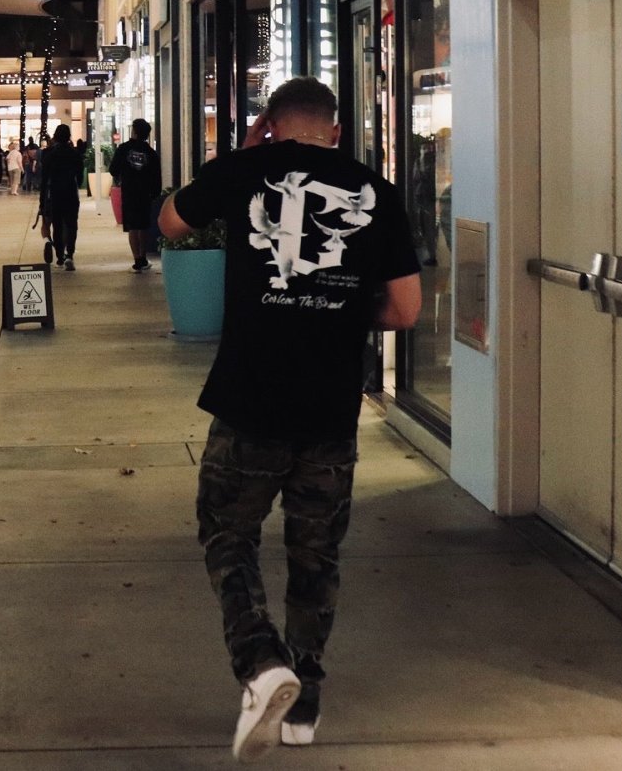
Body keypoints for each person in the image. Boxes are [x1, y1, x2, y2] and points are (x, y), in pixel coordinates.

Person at [158, 76, 422, 763]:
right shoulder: (376, 192)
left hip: (250, 402)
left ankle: (260, 661)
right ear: (335, 130)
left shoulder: (245, 171)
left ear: (270, 125)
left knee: (227, 532)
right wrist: (340, 312)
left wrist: (241, 157)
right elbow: (405, 310)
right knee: (316, 554)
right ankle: (304, 703)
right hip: (330, 410)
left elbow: (170, 224)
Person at [110, 118, 162, 272]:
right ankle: (143, 257)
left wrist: (123, 175)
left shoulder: (123, 149)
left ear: (134, 131)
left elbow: (113, 169)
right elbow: (156, 175)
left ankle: (137, 259)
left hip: (129, 192)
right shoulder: (151, 153)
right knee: (143, 226)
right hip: (145, 193)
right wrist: (156, 192)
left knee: (132, 226)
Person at [39, 123, 83, 270]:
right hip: (70, 193)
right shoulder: (74, 153)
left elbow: (44, 179)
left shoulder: (48, 154)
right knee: (71, 225)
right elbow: (80, 177)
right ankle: (69, 254)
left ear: (55, 136)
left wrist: (42, 201)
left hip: (55, 193)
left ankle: (59, 256)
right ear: (69, 136)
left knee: (57, 225)